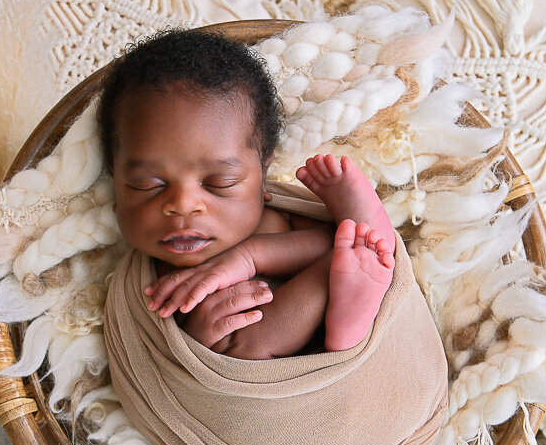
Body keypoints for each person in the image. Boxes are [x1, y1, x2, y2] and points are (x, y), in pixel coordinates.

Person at [98, 28, 399, 360]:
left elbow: (329, 244)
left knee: (357, 248)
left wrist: (250, 257)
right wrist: (199, 340)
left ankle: (351, 309)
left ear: (262, 179)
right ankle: (347, 329)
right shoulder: (148, 287)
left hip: (339, 320)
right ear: (116, 189)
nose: (183, 205)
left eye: (221, 182)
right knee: (243, 347)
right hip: (268, 381)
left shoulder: (273, 222)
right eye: (146, 185)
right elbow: (161, 364)